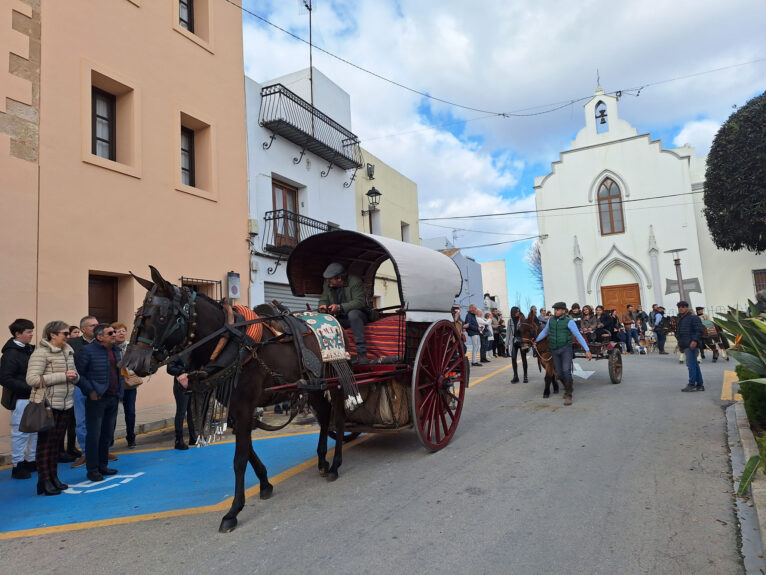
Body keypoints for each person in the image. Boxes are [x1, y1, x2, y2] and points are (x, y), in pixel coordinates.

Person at [25, 321, 79, 495]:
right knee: (45, 444)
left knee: (56, 445)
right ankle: (44, 480)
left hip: (65, 403)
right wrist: (62, 376)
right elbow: (32, 379)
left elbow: (74, 374)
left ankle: (53, 477)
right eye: (64, 333)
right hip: (47, 404)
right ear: (52, 335)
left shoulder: (68, 352)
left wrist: (74, 376)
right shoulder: (40, 353)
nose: (67, 336)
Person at [75, 323, 124, 482]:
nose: (114, 335)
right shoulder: (87, 351)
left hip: (113, 397)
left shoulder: (116, 350)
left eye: (115, 332)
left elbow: (119, 372)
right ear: (100, 337)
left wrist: (119, 392)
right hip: (97, 399)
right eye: (110, 333)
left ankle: (103, 465)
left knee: (106, 435)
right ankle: (93, 470)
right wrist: (91, 391)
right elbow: (79, 375)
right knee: (94, 436)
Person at [534, 302, 592, 406]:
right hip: (554, 350)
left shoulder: (569, 322)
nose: (555, 311)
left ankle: (568, 395)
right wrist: (536, 340)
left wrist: (587, 349)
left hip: (566, 349)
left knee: (566, 371)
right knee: (559, 374)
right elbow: (545, 332)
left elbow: (578, 335)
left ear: (564, 311)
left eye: (557, 309)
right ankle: (568, 386)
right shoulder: (550, 321)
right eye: (555, 309)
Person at [1, 318, 37, 480]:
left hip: (34, 397)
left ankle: (31, 460)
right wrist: (30, 387)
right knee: (20, 433)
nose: (31, 335)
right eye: (28, 332)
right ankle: (18, 464)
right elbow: (5, 378)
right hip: (21, 398)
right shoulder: (11, 354)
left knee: (35, 430)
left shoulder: (29, 350)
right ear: (17, 334)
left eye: (31, 331)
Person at [318, 263, 370, 364]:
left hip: (359, 316)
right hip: (341, 317)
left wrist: (339, 307)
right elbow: (323, 299)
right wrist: (323, 306)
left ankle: (362, 354)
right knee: (324, 320)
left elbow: (360, 302)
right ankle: (332, 355)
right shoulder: (328, 284)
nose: (328, 282)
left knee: (353, 314)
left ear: (339, 278)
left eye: (330, 279)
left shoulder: (355, 282)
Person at [67, 315, 98, 468]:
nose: (96, 327)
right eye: (92, 325)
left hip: (99, 387)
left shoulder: (103, 342)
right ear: (83, 329)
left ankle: (101, 451)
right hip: (79, 388)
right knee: (81, 422)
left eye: (97, 325)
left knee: (101, 421)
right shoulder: (72, 344)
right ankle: (86, 453)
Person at [113, 322, 141, 448]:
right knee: (112, 413)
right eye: (118, 331)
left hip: (129, 384)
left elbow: (138, 364)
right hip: (113, 384)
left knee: (130, 412)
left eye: (123, 330)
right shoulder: (110, 347)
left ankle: (131, 437)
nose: (121, 333)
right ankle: (109, 440)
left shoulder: (131, 347)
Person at [167, 357, 198, 450]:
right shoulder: (177, 353)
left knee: (191, 411)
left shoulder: (193, 351)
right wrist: (183, 370)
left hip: (192, 384)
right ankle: (178, 440)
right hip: (181, 386)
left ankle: (193, 437)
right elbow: (170, 369)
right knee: (181, 412)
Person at [676, 301, 704, 392]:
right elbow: (679, 333)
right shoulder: (679, 318)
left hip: (691, 344)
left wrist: (695, 341)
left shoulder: (693, 318)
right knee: (694, 364)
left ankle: (691, 384)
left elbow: (699, 330)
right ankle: (699, 385)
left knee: (691, 365)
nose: (681, 308)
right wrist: (680, 345)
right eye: (679, 307)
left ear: (687, 308)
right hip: (684, 344)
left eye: (683, 307)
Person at [507, 307, 528, 383]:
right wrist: (506, 343)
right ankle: (515, 376)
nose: (518, 312)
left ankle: (525, 376)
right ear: (513, 312)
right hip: (514, 341)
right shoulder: (509, 321)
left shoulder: (523, 320)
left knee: (524, 358)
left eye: (519, 311)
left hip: (523, 341)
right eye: (517, 311)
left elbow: (526, 332)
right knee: (513, 358)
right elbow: (508, 333)